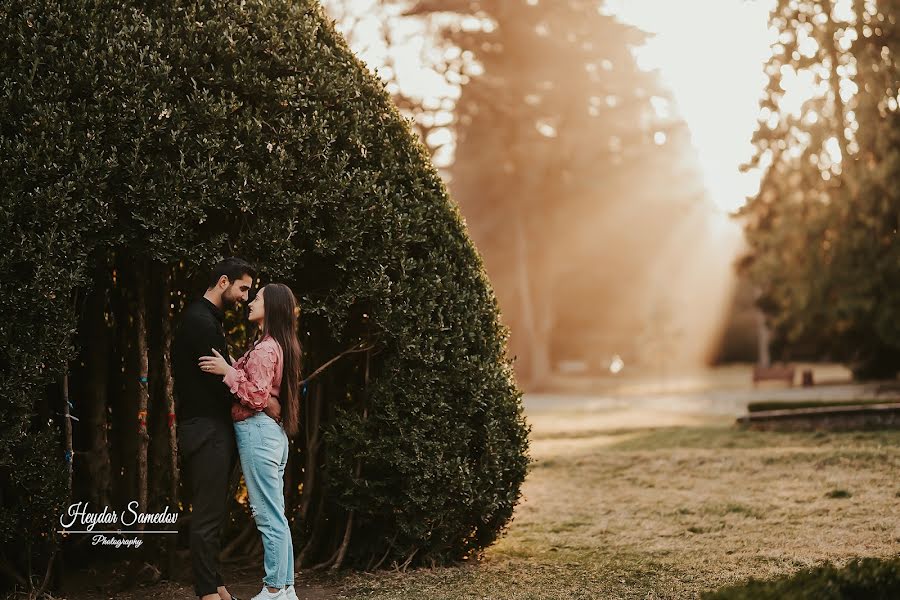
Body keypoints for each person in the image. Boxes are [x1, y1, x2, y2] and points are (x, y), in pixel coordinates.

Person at [200, 283, 302, 600]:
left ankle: (272, 589)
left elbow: (256, 396)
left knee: (268, 516)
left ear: (270, 307)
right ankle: (285, 589)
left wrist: (226, 372)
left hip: (258, 433)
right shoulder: (275, 346)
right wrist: (232, 364)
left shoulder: (266, 349)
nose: (250, 302)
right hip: (272, 435)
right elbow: (260, 385)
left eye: (256, 299)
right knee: (277, 515)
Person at [173, 257, 255, 600]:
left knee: (214, 515)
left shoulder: (206, 319)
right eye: (243, 288)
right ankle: (207, 593)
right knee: (207, 518)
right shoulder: (200, 322)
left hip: (209, 428)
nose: (246, 297)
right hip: (206, 430)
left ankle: (217, 586)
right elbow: (220, 384)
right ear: (223, 282)